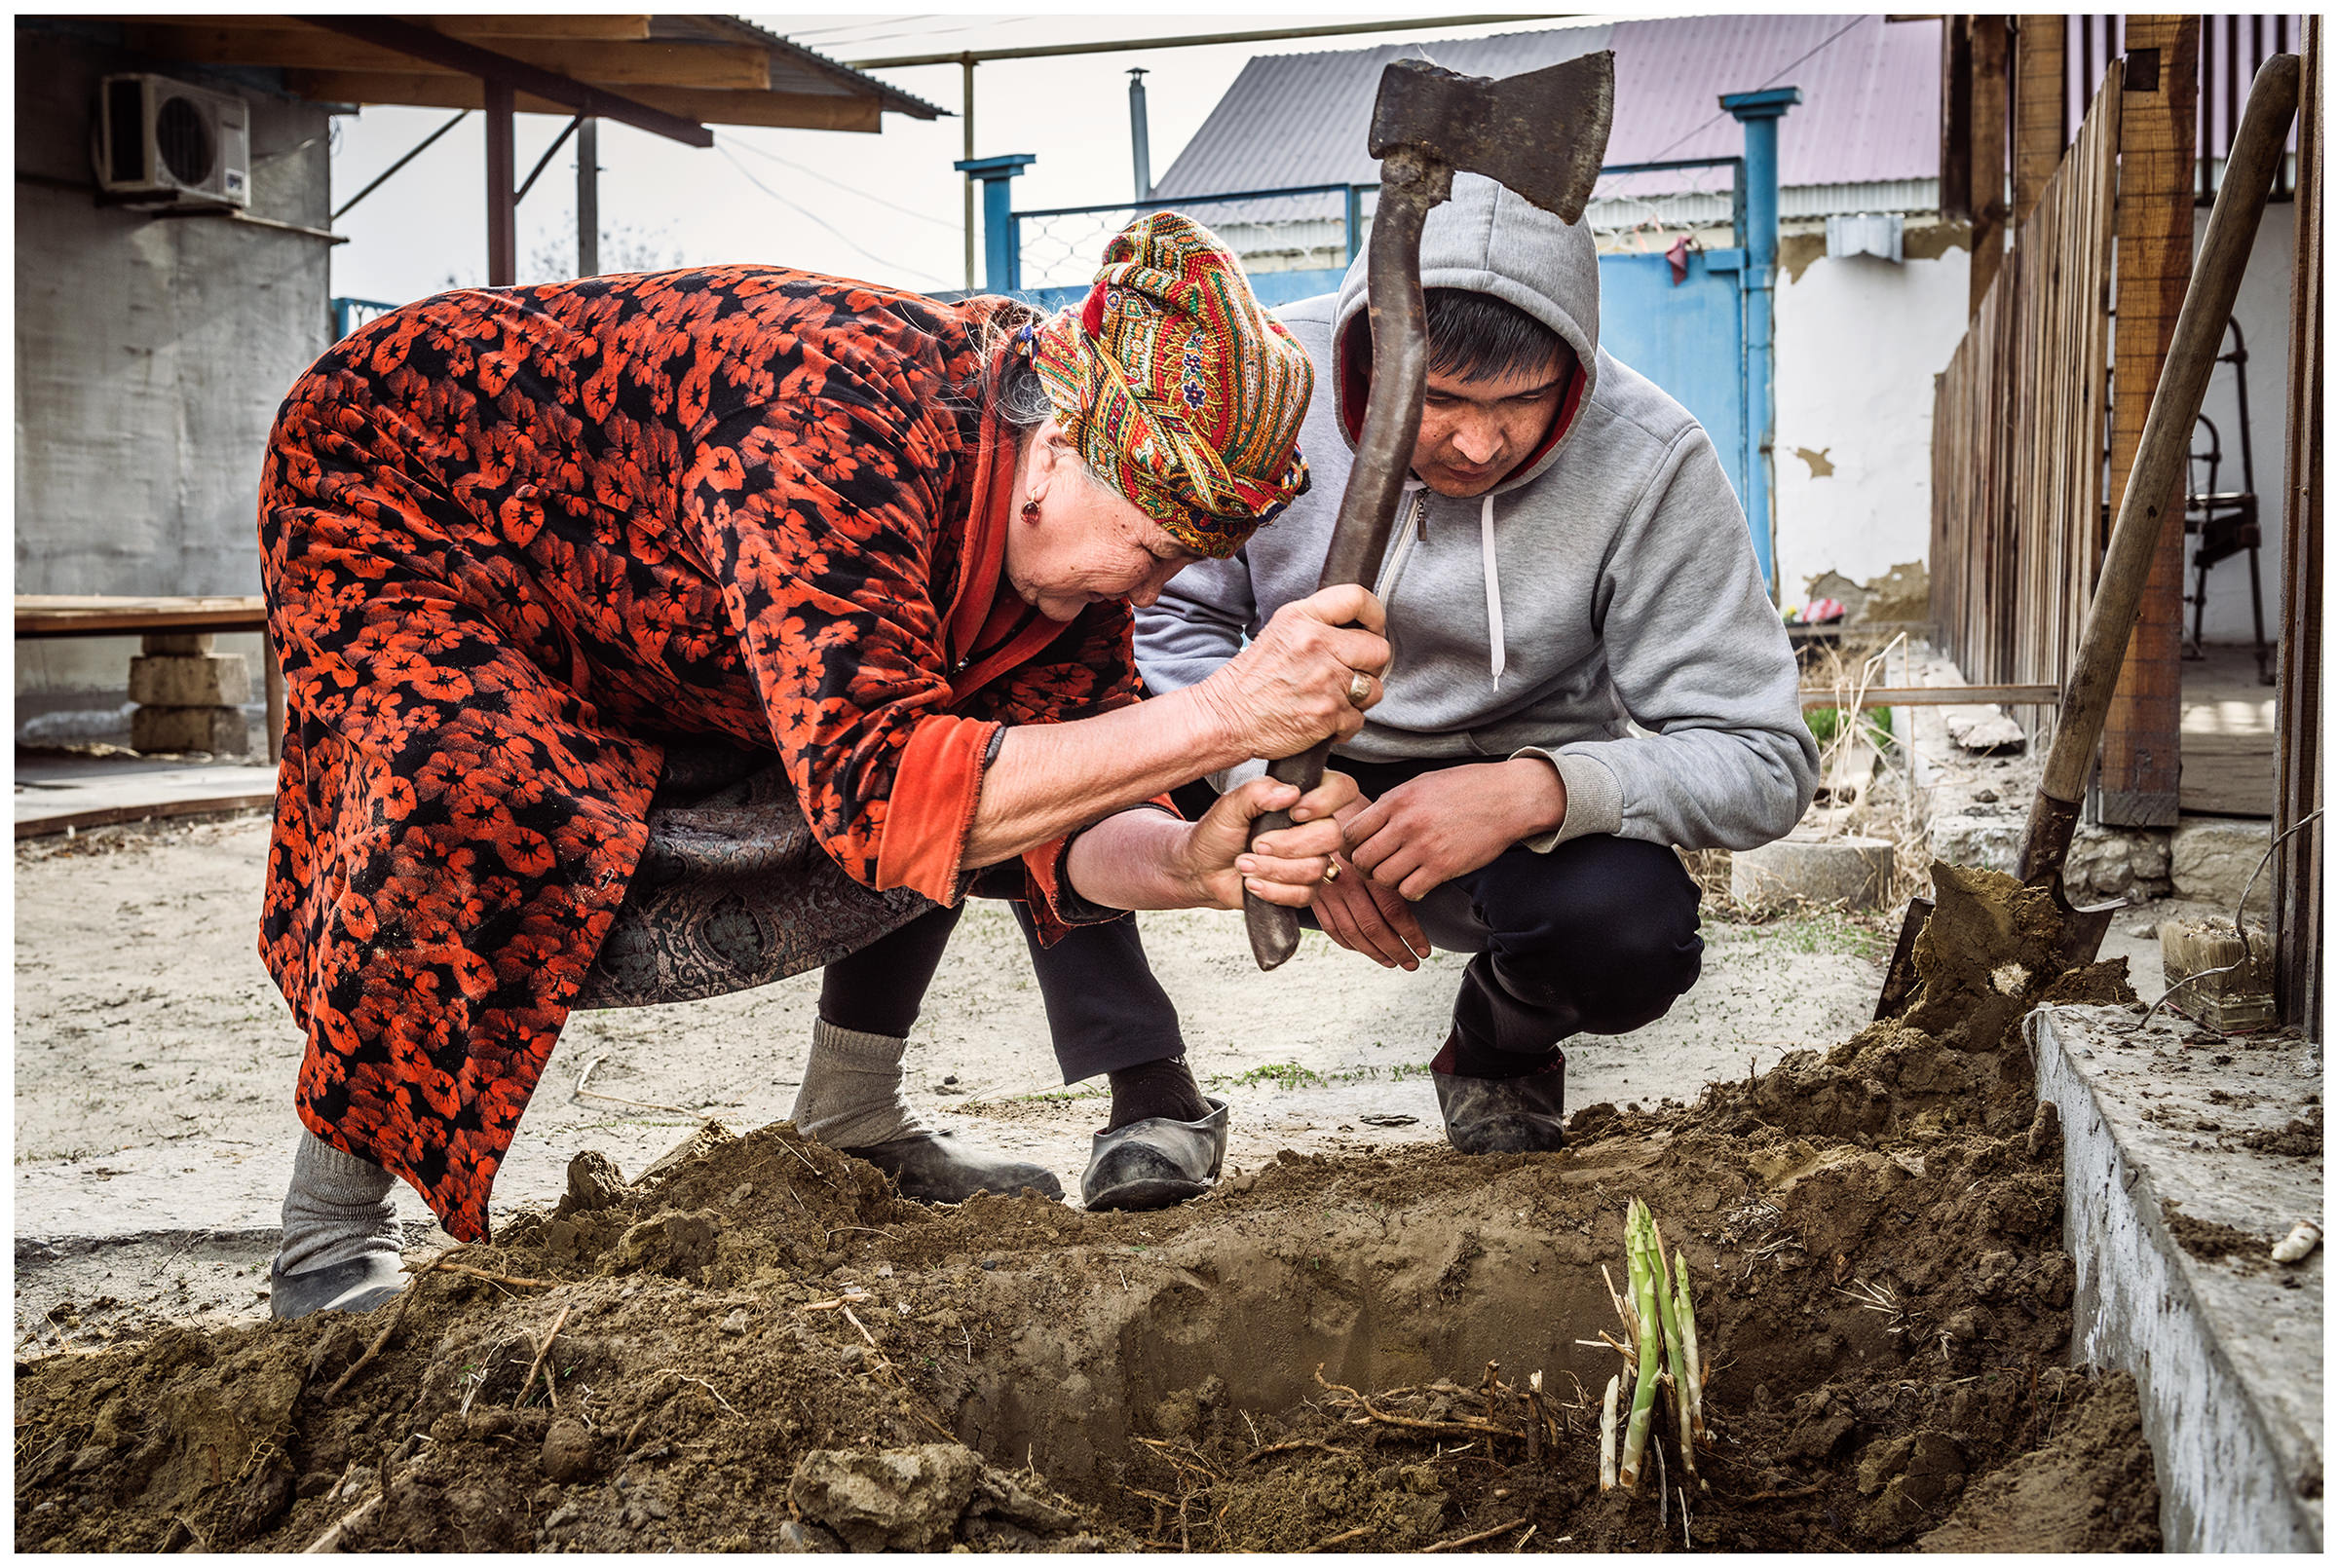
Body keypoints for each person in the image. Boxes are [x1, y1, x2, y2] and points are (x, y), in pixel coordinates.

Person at [260, 213, 1392, 1319]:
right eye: (1151, 551)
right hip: (402, 483)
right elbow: (889, 791)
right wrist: (1231, 711)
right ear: (1055, 448)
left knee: (971, 745)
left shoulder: (1060, 528)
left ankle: (852, 1114)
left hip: (647, 573)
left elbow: (1052, 805)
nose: (1145, 596)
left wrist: (1195, 858)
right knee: (468, 781)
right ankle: (327, 1234)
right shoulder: (833, 419)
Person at [987, 171, 1820, 1201]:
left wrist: (1541, 787)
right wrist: (1269, 782)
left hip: (1500, 794)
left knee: (1630, 925)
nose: (1480, 442)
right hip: (1265, 746)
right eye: (1445, 399)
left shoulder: (1651, 460)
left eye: (1524, 401)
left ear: (1577, 364)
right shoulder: (1262, 396)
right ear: (1373, 353)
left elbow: (1763, 757)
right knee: (1055, 750)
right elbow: (1168, 626)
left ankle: (1501, 1046)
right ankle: (1146, 1088)